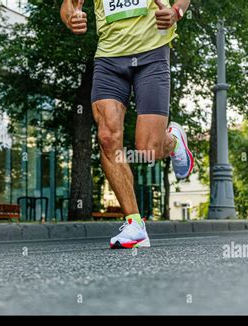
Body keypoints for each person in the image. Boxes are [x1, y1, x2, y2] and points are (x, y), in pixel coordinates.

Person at [61, 0, 193, 249]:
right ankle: (134, 224)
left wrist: (177, 12)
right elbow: (69, 5)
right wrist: (72, 17)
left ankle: (173, 141)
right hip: (109, 58)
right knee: (107, 137)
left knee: (148, 149)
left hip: (152, 53)